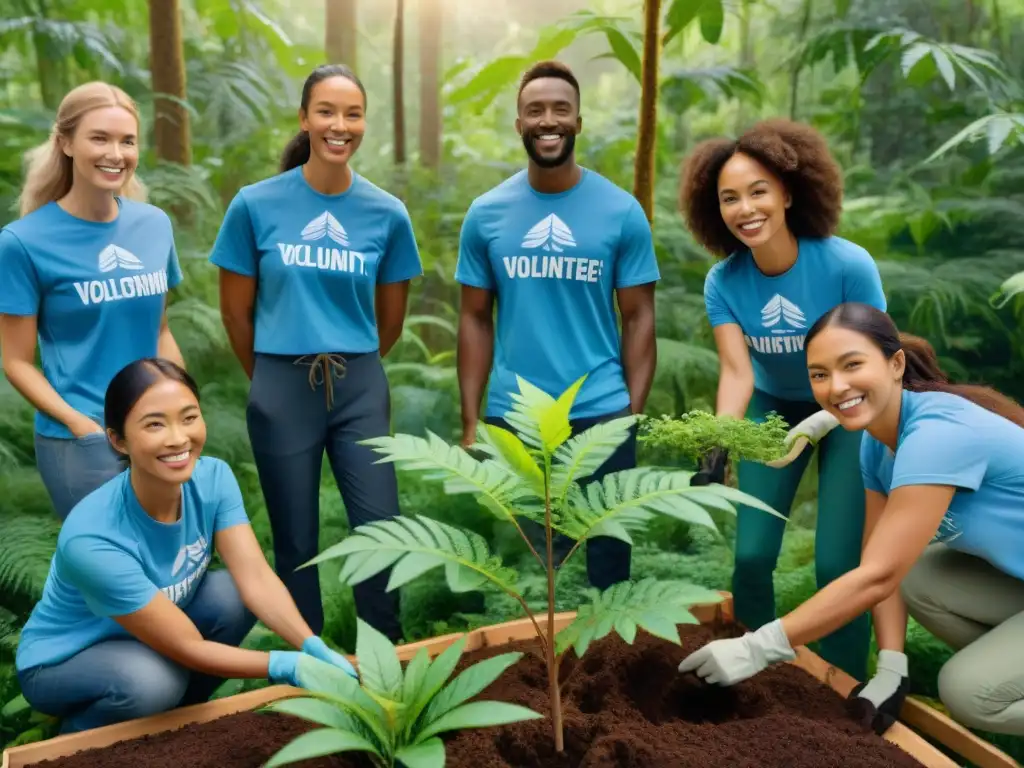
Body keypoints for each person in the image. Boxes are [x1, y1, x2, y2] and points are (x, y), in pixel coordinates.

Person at [678, 302, 1024, 737]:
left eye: (852, 365)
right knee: (919, 573)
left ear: (895, 363)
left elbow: (876, 578)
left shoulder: (939, 436)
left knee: (967, 691)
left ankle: (996, 678)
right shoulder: (878, 444)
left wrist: (757, 648)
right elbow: (878, 562)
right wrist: (891, 666)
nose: (835, 386)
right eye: (819, 375)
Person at [15, 358, 358, 734]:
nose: (178, 438)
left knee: (233, 593)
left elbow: (256, 578)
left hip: (148, 631)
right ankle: (75, 739)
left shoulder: (212, 479)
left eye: (189, 417)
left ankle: (178, 718)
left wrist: (310, 644)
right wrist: (283, 665)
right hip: (66, 660)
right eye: (155, 424)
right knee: (152, 684)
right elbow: (188, 647)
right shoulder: (93, 538)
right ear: (118, 440)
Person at [210, 64, 421, 643]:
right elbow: (236, 313)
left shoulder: (387, 213)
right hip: (281, 384)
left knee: (380, 527)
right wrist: (273, 377)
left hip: (359, 384)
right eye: (326, 111)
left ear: (364, 124)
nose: (339, 125)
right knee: (296, 538)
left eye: (353, 114)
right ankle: (311, 671)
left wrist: (352, 362)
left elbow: (391, 319)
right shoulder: (255, 206)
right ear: (304, 118)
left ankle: (387, 659)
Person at [679, 118, 887, 681]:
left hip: (851, 414)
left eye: (758, 191)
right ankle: (753, 672)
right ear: (713, 208)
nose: (745, 208)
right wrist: (719, 442)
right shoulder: (724, 281)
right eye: (729, 198)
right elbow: (735, 370)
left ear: (789, 194)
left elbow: (876, 368)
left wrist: (828, 416)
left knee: (838, 562)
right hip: (772, 408)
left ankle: (843, 685)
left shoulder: (847, 265)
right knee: (750, 558)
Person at [455, 60, 660, 591]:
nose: (549, 120)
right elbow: (474, 318)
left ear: (579, 121)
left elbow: (639, 317)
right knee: (546, 572)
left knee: (610, 573)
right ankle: (552, 674)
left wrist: (630, 415)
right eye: (535, 110)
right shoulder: (486, 213)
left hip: (601, 410)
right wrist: (471, 420)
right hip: (516, 419)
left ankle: (609, 672)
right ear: (519, 124)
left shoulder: (620, 211)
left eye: (560, 109)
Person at [0, 81, 185, 521]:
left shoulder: (154, 225)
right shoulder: (22, 243)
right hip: (83, 443)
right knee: (111, 579)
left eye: (127, 141)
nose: (115, 154)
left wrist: (179, 411)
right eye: (99, 138)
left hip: (157, 431)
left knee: (165, 569)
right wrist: (81, 426)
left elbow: (160, 331)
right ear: (65, 142)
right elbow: (16, 361)